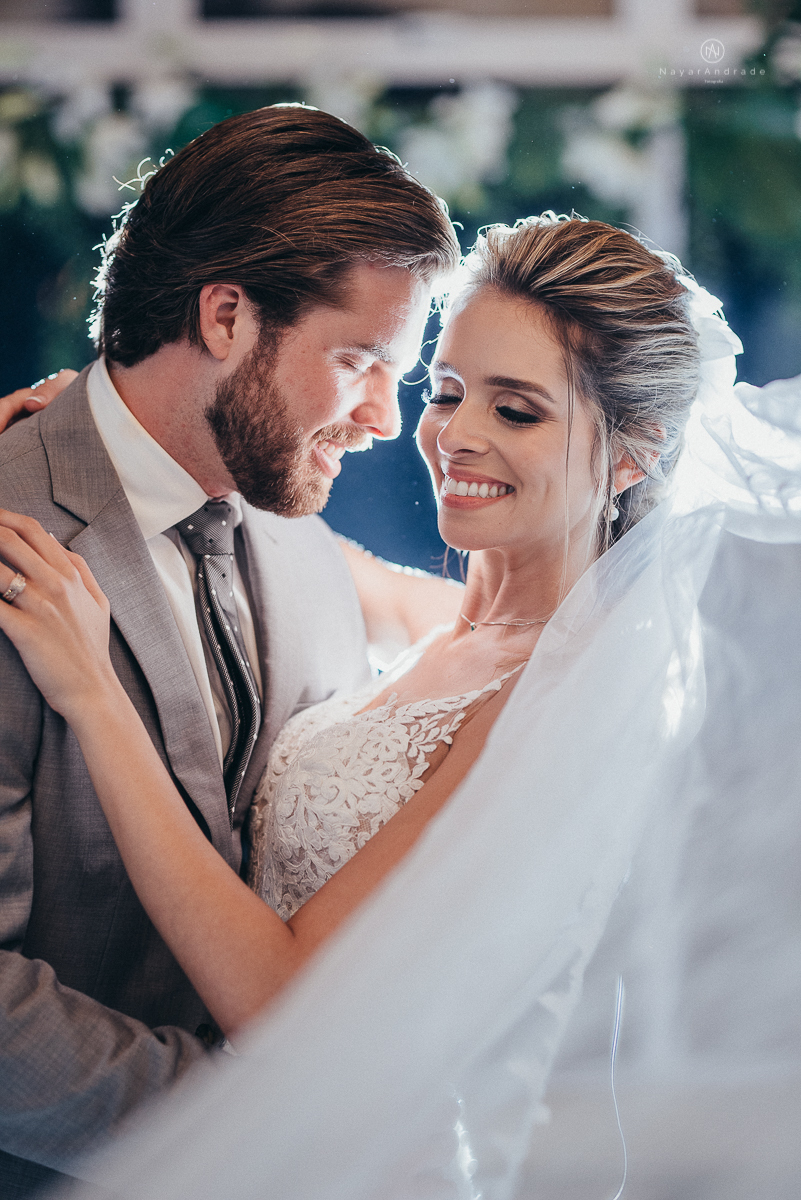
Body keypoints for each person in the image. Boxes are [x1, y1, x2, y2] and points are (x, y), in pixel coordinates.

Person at [0, 215, 719, 1196]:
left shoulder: (555, 698)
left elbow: (283, 998)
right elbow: (221, 514)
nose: (457, 435)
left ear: (633, 455)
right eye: (449, 391)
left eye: (517, 412)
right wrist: (93, 432)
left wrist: (91, 691)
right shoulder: (446, 621)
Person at [0, 102, 461, 1198]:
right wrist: (243, 1131)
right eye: (358, 359)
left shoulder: (293, 520)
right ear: (224, 317)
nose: (386, 420)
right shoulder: (12, 534)